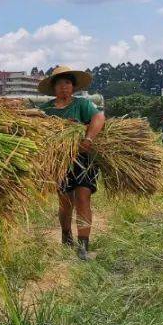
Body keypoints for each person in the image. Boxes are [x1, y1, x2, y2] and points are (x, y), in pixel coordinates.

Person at [37, 66, 106, 260]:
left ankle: (83, 246)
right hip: (61, 162)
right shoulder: (46, 111)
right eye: (59, 84)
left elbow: (99, 117)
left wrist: (88, 138)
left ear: (73, 87)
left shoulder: (82, 105)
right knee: (65, 203)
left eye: (67, 83)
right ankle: (66, 235)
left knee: (83, 198)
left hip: (84, 158)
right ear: (54, 88)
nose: (64, 87)